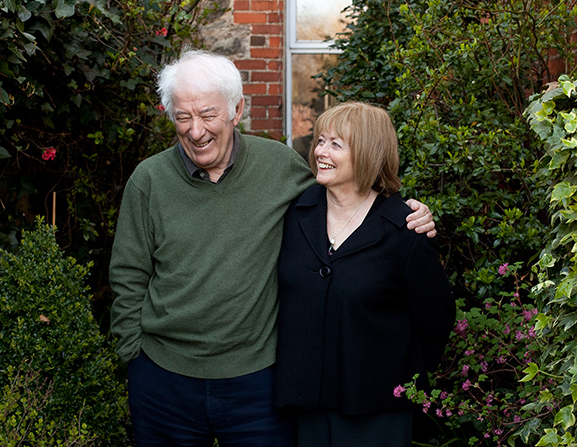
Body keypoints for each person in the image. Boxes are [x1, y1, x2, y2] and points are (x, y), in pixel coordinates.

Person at [109, 50, 437, 447]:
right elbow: (128, 274)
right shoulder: (148, 180)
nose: (196, 131)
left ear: (236, 110)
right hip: (164, 378)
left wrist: (407, 212)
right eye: (183, 117)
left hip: (259, 382)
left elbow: (348, 196)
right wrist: (134, 358)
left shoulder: (281, 166)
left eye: (208, 115)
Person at [274, 101, 456, 447]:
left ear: (369, 153)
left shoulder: (404, 231)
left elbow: (437, 318)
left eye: (336, 144)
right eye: (321, 140)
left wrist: (393, 370)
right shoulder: (295, 214)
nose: (320, 152)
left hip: (376, 410)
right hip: (303, 404)